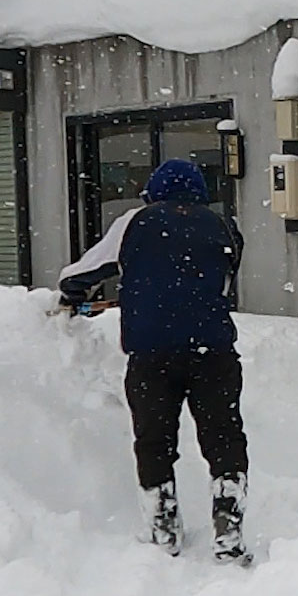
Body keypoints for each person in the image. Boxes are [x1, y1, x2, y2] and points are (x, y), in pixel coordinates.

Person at [58, 159, 251, 565]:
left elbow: (82, 273)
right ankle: (228, 526)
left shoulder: (133, 222)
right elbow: (223, 279)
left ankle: (163, 527)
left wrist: (73, 296)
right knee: (223, 436)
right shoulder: (223, 226)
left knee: (154, 440)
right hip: (213, 352)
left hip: (152, 354)